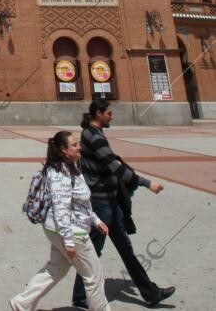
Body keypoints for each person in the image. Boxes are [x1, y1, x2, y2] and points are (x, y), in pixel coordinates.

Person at [72, 100, 175, 309]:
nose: (112, 116)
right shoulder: (92, 135)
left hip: (108, 201)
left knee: (121, 250)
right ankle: (80, 296)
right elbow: (115, 166)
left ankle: (150, 293)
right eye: (109, 113)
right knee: (93, 250)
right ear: (98, 113)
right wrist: (148, 184)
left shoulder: (93, 133)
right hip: (101, 204)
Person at [9, 130, 111, 311]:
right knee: (93, 276)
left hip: (56, 230)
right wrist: (69, 241)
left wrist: (95, 220)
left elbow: (80, 200)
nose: (79, 146)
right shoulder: (60, 173)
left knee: (55, 269)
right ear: (63, 150)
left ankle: (21, 303)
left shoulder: (70, 167)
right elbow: (60, 207)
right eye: (74, 144)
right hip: (72, 232)